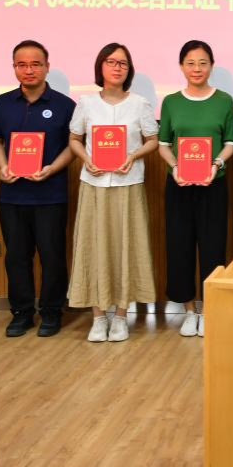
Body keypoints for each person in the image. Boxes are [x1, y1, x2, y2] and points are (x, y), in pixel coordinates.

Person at [0, 40, 76, 338]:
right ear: (14, 68)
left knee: (52, 256)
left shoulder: (64, 105)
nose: (29, 70)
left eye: (35, 64)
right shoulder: (2, 103)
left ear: (47, 67)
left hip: (51, 194)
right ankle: (22, 312)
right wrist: (2, 165)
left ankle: (51, 311)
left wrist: (52, 168)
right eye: (21, 65)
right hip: (12, 195)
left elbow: (74, 146)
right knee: (17, 257)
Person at [67, 43, 159, 343]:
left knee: (126, 246)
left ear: (129, 69)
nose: (117, 67)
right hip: (93, 185)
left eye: (123, 63)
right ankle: (98, 317)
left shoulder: (140, 104)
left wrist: (133, 156)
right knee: (94, 246)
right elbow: (74, 139)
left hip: (128, 184)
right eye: (111, 62)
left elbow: (152, 140)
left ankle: (120, 316)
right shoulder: (86, 103)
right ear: (100, 67)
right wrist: (86, 159)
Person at [157, 40, 233, 338]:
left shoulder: (224, 101)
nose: (197, 69)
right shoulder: (171, 102)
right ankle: (189, 311)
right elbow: (163, 144)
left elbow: (230, 142)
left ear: (211, 66)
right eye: (190, 63)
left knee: (213, 246)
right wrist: (176, 167)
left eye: (203, 63)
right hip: (179, 184)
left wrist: (216, 164)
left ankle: (208, 309)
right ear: (181, 66)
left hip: (213, 183)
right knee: (180, 246)